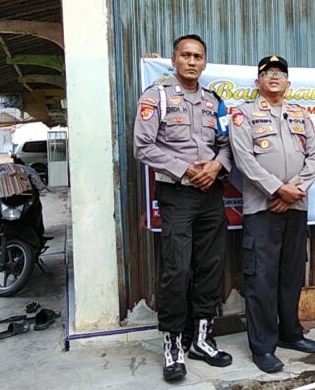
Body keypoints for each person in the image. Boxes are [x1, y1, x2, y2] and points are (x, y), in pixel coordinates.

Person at [133, 34, 233, 382]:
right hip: (177, 193)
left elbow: (226, 145)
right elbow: (143, 146)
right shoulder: (156, 97)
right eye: (185, 55)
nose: (192, 61)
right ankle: (174, 345)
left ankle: (202, 340)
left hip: (211, 194)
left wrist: (216, 167)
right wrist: (185, 169)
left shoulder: (214, 102)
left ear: (205, 62)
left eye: (198, 56)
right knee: (176, 269)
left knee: (210, 265)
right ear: (174, 60)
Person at [230, 55, 315, 373]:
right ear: (258, 81)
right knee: (262, 279)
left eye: (280, 73)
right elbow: (244, 161)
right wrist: (276, 189)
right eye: (267, 73)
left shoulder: (300, 114)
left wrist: (293, 189)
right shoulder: (243, 114)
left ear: (288, 83)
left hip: (296, 207)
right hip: (262, 209)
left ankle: (290, 334)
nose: (274, 77)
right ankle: (263, 346)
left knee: (291, 275)